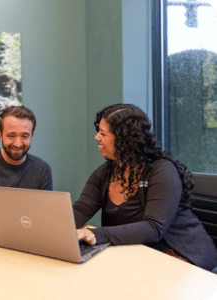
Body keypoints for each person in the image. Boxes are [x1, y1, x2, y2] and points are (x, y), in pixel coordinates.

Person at [73, 103, 217, 271]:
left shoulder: (162, 171)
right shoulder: (105, 172)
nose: (97, 137)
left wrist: (96, 234)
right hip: (138, 253)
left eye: (103, 133)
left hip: (184, 255)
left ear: (124, 139)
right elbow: (82, 209)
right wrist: (57, 228)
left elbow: (153, 228)